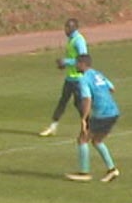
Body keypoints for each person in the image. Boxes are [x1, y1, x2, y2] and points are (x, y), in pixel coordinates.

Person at [65, 54, 120, 182]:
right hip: (113, 112)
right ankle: (112, 170)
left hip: (102, 113)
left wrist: (84, 118)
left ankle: (84, 173)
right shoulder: (98, 74)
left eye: (77, 64)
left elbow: (87, 99)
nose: (75, 66)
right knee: (97, 141)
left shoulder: (84, 79)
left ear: (83, 64)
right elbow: (112, 88)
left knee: (82, 139)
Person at [40, 18, 88, 136]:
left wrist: (65, 62)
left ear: (74, 28)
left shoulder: (79, 40)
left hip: (78, 78)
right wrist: (64, 65)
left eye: (67, 27)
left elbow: (83, 59)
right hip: (70, 77)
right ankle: (53, 126)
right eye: (65, 27)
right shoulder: (71, 39)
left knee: (79, 104)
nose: (65, 29)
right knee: (63, 101)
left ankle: (88, 126)